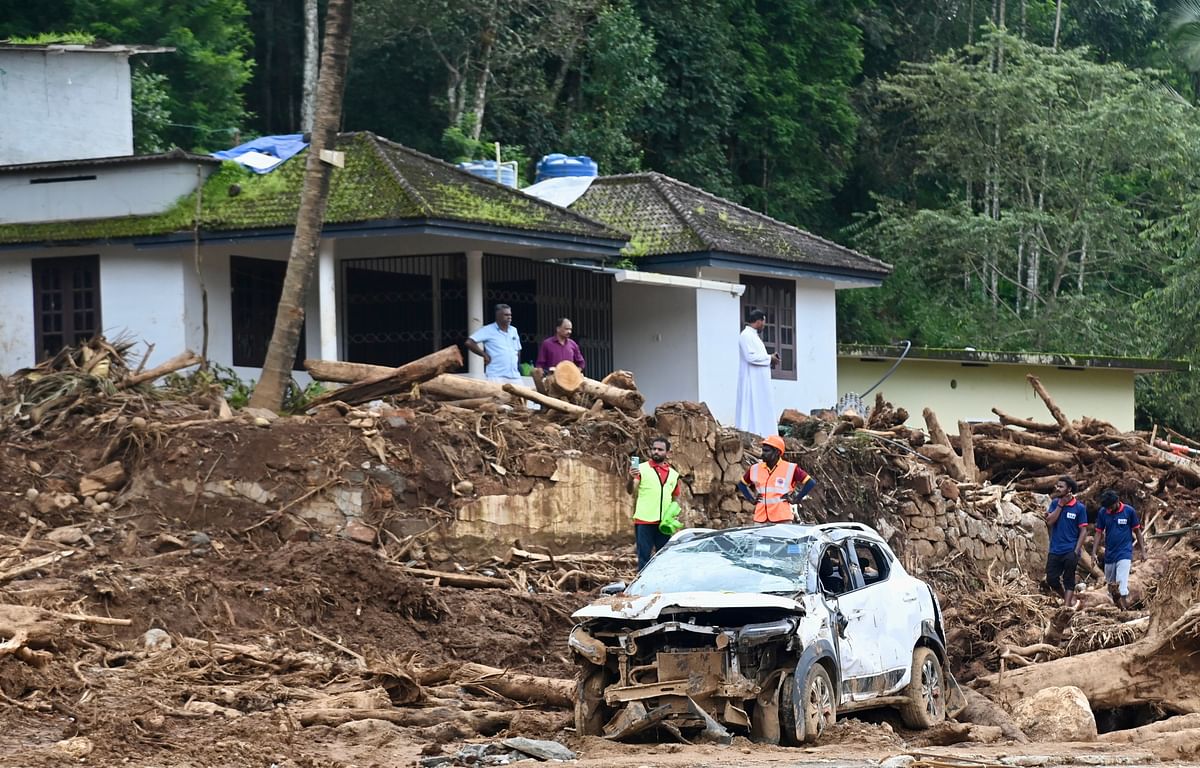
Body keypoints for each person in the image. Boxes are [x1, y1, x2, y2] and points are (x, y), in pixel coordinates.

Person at [626, 437, 682, 570]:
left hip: (664, 524)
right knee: (644, 558)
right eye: (654, 449)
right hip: (644, 521)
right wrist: (630, 478)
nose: (656, 451)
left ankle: (661, 587)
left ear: (668, 453)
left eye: (660, 449)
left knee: (664, 558)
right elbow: (630, 490)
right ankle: (642, 588)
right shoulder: (641, 469)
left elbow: (675, 498)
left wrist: (673, 516)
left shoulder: (674, 475)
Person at [736, 435, 815, 523]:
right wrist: (751, 499)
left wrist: (796, 499)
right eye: (763, 450)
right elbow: (741, 484)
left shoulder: (790, 468)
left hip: (782, 519)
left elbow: (810, 483)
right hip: (760, 518)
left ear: (777, 452)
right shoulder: (755, 469)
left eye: (766, 451)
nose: (763, 454)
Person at [1092, 489, 1145, 611]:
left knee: (1121, 585)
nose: (1109, 510)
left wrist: (1143, 551)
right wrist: (1093, 552)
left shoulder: (1129, 511)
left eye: (1110, 507)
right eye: (1107, 508)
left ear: (1117, 502)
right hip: (1109, 554)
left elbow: (1137, 531)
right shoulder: (1103, 512)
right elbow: (1098, 533)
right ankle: (1115, 610)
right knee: (1111, 586)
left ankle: (1124, 610)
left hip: (1124, 552)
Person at [1045, 475, 1088, 608]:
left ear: (1069, 489)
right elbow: (1050, 521)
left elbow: (1083, 531)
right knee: (1051, 578)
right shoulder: (1054, 503)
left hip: (1070, 550)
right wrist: (1060, 505)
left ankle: (1066, 607)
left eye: (1061, 486)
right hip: (1055, 549)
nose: (1057, 488)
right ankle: (1066, 598)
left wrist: (1076, 550)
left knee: (1068, 578)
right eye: (1057, 486)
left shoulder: (1079, 508)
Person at [735, 309, 779, 438]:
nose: (764, 325)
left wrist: (771, 360)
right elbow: (750, 357)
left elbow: (759, 357)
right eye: (764, 322)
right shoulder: (745, 335)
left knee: (762, 408)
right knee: (751, 409)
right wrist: (769, 358)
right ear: (759, 321)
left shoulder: (754, 336)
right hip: (751, 380)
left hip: (760, 382)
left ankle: (765, 435)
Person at [465, 304, 522, 385]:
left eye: (510, 315)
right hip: (496, 376)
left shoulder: (513, 330)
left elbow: (518, 350)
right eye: (506, 315)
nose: (509, 317)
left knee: (520, 397)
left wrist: (517, 366)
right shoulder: (488, 330)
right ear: (498, 316)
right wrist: (484, 355)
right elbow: (469, 342)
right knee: (498, 397)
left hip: (515, 376)